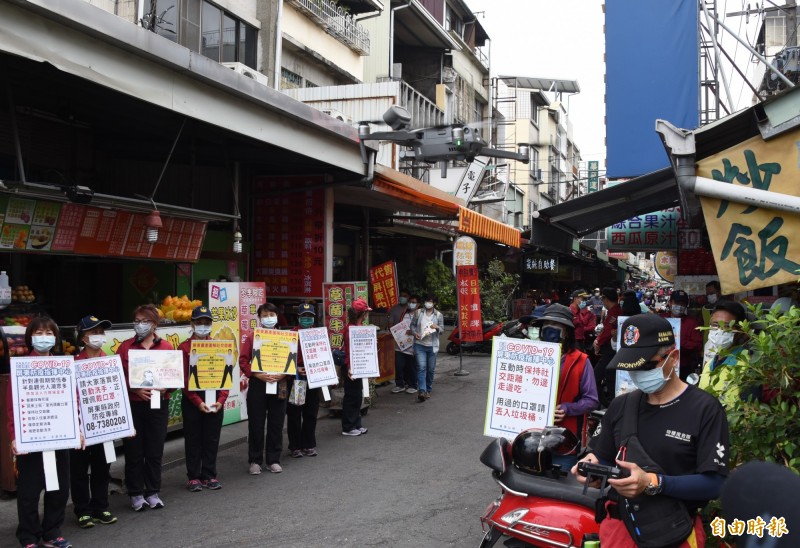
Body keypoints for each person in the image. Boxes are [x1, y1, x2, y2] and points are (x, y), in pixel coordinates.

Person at [573, 314, 729, 548]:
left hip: (675, 531)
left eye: (646, 365)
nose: (638, 374)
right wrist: (592, 468)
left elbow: (715, 483)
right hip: (619, 529)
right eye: (630, 366)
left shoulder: (705, 409)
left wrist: (653, 482)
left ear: (673, 358)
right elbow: (602, 455)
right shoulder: (621, 405)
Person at [7, 317, 78, 548]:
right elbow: (12, 406)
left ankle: (52, 532)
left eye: (49, 333)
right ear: (30, 337)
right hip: (33, 437)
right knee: (28, 492)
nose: (44, 337)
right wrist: (14, 436)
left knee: (58, 488)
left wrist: (78, 430)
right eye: (39, 333)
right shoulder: (21, 367)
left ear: (56, 338)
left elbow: (73, 400)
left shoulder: (63, 366)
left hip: (59, 438)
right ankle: (28, 536)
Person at [117, 304, 176, 511]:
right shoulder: (125, 347)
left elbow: (175, 379)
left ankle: (152, 492)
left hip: (158, 405)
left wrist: (164, 388)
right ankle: (135, 494)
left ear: (155, 324)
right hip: (134, 405)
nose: (140, 325)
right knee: (133, 451)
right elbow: (117, 378)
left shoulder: (167, 348)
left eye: (145, 321)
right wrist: (135, 390)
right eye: (137, 321)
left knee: (154, 450)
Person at [532, 304, 599, 468]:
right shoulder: (528, 356)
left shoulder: (581, 361)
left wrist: (567, 409)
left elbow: (592, 400)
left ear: (567, 332)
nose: (550, 331)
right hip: (531, 436)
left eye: (556, 327)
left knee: (560, 486)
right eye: (547, 326)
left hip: (564, 439)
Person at [71, 315, 118, 529]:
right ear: (83, 338)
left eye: (101, 332)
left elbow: (118, 395)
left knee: (102, 467)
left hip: (104, 423)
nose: (98, 336)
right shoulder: (73, 364)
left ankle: (101, 506)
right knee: (79, 470)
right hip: (81, 428)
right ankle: (82, 510)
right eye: (93, 332)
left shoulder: (110, 362)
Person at [178, 306, 228, 492]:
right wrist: (197, 401)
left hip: (215, 399)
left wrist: (221, 399)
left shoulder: (220, 346)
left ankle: (209, 475)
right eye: (199, 323)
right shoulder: (184, 348)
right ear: (192, 324)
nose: (203, 326)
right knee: (193, 438)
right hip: (193, 401)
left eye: (207, 323)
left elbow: (226, 377)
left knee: (212, 438)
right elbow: (183, 379)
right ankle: (193, 477)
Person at [240, 303, 288, 474]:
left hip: (279, 384)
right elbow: (243, 360)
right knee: (256, 423)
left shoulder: (286, 337)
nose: (269, 318)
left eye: (271, 314)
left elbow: (292, 360)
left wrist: (283, 375)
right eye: (265, 315)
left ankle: (273, 459)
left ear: (277, 316)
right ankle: (255, 460)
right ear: (259, 319)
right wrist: (257, 375)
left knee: (276, 423)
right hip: (258, 384)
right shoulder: (254, 337)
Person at [698, 300, 753, 405]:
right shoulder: (709, 365)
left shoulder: (747, 365)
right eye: (715, 324)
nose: (719, 330)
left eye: (727, 326)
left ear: (740, 330)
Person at [287, 303, 321, 457]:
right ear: (298, 317)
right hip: (297, 379)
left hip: (314, 378)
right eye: (304, 316)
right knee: (295, 413)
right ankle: (295, 446)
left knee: (311, 412)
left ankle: (309, 444)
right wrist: (296, 369)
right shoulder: (290, 335)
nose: (307, 319)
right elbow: (284, 360)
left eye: (310, 316)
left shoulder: (318, 334)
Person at [340, 298, 371, 436]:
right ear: (362, 314)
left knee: (357, 396)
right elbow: (349, 351)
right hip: (351, 367)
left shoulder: (358, 328)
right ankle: (348, 427)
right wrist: (349, 368)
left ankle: (356, 423)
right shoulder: (350, 330)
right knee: (351, 396)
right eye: (365, 312)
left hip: (359, 365)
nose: (366, 315)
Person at [660, 289, 702, 381]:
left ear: (686, 305)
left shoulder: (692, 323)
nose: (679, 306)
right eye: (677, 302)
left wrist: (679, 342)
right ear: (670, 302)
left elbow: (697, 345)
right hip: (661, 365)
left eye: (683, 304)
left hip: (684, 367)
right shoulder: (661, 319)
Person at [409, 294, 444, 403]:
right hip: (420, 344)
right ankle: (422, 391)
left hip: (432, 346)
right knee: (421, 367)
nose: (428, 303)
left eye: (430, 301)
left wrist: (437, 327)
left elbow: (442, 329)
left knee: (431, 369)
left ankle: (428, 388)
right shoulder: (419, 313)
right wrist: (415, 334)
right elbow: (412, 326)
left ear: (434, 303)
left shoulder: (438, 315)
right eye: (426, 301)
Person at [593, 287, 622, 403]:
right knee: (609, 377)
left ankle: (599, 402)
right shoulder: (614, 311)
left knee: (596, 376)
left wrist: (598, 342)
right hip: (612, 350)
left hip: (610, 350)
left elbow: (608, 331)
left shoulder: (615, 312)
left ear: (606, 299)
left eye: (602, 299)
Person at [389, 291, 418, 394]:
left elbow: (423, 329)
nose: (411, 304)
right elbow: (396, 325)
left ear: (418, 304)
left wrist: (413, 332)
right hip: (400, 344)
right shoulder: (403, 314)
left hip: (412, 345)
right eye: (410, 302)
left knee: (411, 366)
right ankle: (400, 384)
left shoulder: (420, 315)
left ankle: (413, 385)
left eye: (413, 302)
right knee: (399, 365)